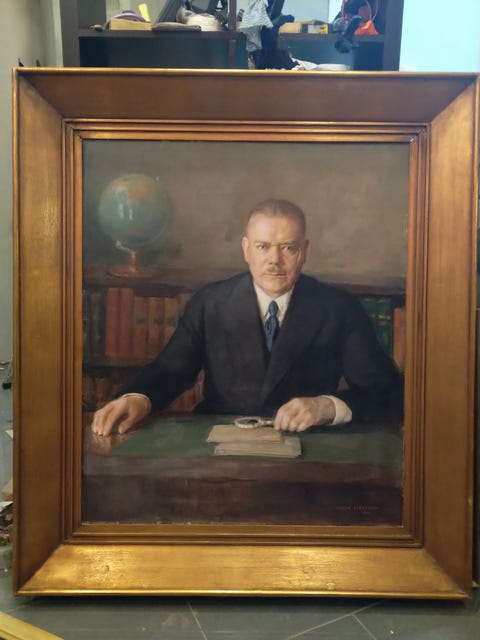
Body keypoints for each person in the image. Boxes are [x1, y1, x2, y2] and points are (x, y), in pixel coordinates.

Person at [92, 199, 403, 437]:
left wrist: (327, 406)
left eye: (288, 248)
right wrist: (140, 398)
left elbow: (388, 392)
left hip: (307, 447)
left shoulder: (338, 308)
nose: (274, 261)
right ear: (246, 249)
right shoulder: (210, 303)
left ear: (304, 251)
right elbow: (170, 370)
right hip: (220, 447)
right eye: (263, 247)